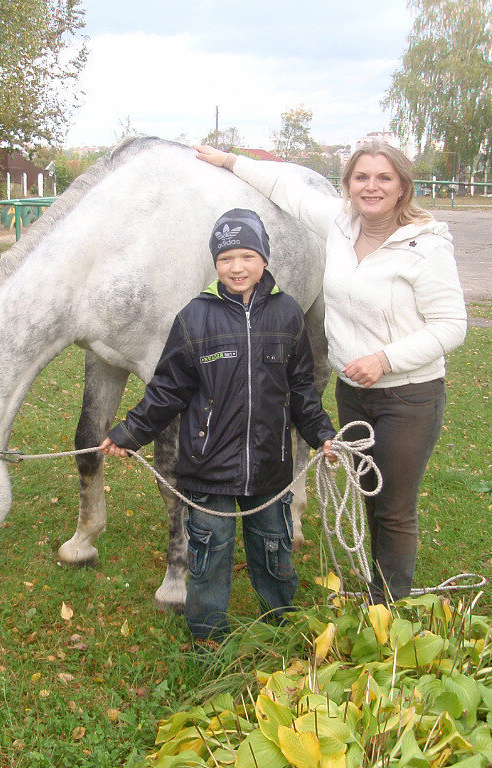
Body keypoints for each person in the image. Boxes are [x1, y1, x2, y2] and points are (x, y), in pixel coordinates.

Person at [195, 142, 466, 604]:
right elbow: (286, 188)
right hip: (354, 393)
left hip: (408, 395)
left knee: (394, 509)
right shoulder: (340, 225)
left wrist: (385, 360)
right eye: (362, 177)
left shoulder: (426, 246)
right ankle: (379, 590)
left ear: (402, 186)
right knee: (369, 495)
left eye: (384, 178)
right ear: (348, 185)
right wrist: (229, 161)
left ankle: (388, 607)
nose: (372, 187)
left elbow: (452, 325)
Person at [99, 208, 337, 641]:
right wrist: (130, 433)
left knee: (274, 552)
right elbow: (167, 388)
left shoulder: (287, 314)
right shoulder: (195, 317)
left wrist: (322, 434)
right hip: (208, 468)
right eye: (226, 258)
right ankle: (208, 638)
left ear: (264, 258)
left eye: (247, 256)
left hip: (270, 467)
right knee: (209, 557)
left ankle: (281, 628)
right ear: (215, 263)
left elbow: (302, 387)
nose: (237, 267)